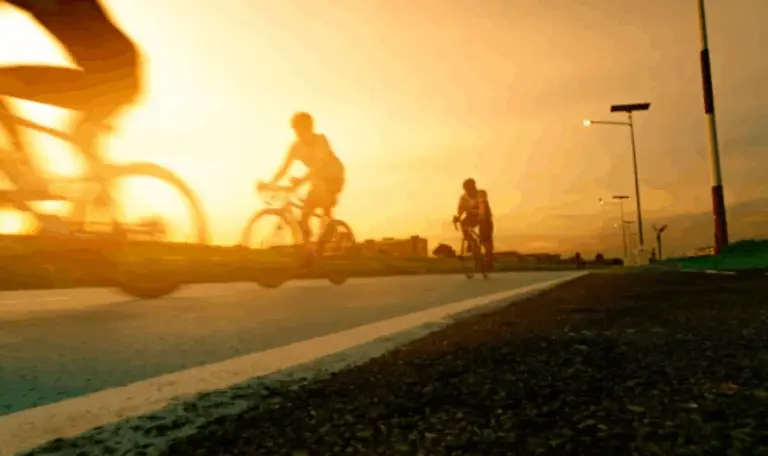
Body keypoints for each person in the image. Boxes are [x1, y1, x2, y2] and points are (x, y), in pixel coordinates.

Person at [0, 0, 142, 230]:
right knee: (82, 136)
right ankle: (102, 196)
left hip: (113, 80)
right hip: (114, 77)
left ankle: (27, 172)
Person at [264, 112, 345, 262]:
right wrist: (270, 184)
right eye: (296, 130)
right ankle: (311, 252)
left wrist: (300, 181)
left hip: (334, 176)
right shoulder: (296, 147)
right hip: (317, 179)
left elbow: (320, 166)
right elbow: (284, 167)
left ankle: (328, 234)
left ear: (310, 128)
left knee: (322, 199)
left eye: (301, 130)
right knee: (304, 216)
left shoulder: (321, 140)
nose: (298, 134)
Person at [453, 178, 494, 270]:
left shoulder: (481, 193)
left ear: (474, 187)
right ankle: (470, 242)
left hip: (484, 216)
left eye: (470, 188)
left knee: (485, 236)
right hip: (472, 217)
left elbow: (482, 206)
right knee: (463, 223)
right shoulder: (463, 198)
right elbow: (460, 209)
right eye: (466, 189)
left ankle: (488, 257)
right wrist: (457, 218)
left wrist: (482, 216)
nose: (468, 191)